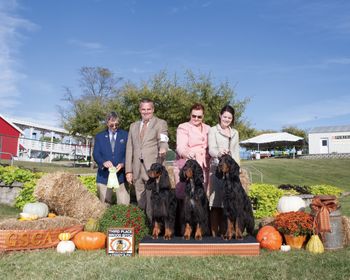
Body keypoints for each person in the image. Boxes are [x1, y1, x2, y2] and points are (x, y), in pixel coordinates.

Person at [125, 98, 169, 221]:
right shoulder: (133, 126)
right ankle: (142, 228)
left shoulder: (160, 123)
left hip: (152, 170)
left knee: (152, 204)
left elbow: (163, 140)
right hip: (137, 170)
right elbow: (129, 148)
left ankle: (152, 232)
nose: (146, 112)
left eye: (148, 109)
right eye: (143, 109)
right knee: (140, 204)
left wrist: (163, 149)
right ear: (140, 110)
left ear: (153, 110)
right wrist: (128, 171)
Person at [174, 103, 210, 234]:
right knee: (184, 201)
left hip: (203, 168)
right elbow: (180, 146)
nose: (196, 118)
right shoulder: (183, 127)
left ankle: (202, 230)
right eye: (194, 116)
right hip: (187, 165)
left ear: (203, 116)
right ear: (190, 115)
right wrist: (187, 153)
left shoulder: (208, 128)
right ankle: (182, 230)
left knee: (201, 201)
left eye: (199, 117)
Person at [208, 104, 240, 237]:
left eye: (229, 118)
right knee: (216, 202)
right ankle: (214, 233)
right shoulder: (213, 130)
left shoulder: (235, 133)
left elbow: (236, 152)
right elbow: (211, 149)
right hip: (217, 169)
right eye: (225, 116)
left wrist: (238, 170)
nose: (226, 119)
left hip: (231, 172)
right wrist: (219, 152)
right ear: (220, 116)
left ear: (232, 119)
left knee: (231, 203)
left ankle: (230, 231)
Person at [93, 112, 130, 205]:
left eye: (116, 124)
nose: (114, 127)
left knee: (124, 205)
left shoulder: (126, 135)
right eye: (111, 125)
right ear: (107, 123)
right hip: (104, 176)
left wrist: (123, 163)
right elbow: (96, 154)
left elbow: (129, 153)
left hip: (121, 176)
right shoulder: (99, 136)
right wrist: (103, 162)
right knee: (104, 205)